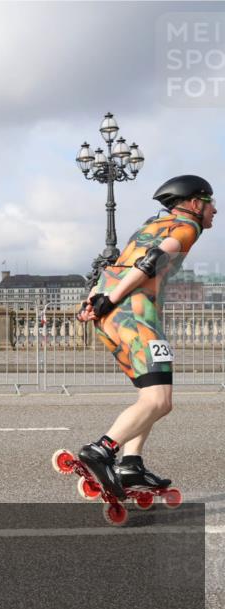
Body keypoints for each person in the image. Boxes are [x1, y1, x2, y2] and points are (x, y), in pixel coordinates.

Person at [76, 175, 215, 499]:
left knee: (150, 398)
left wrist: (95, 300)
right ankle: (102, 450)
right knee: (160, 401)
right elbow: (149, 262)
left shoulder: (152, 223)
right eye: (211, 204)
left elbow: (114, 265)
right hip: (136, 317)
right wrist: (110, 300)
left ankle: (132, 464)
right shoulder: (186, 227)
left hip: (116, 318)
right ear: (195, 204)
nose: (215, 211)